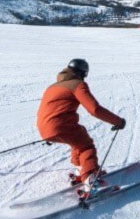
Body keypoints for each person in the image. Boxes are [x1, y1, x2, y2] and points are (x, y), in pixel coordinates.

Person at [37, 58, 126, 188]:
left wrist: (49, 132)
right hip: (59, 126)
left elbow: (45, 108)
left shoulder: (52, 87)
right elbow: (94, 109)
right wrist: (118, 121)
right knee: (86, 146)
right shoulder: (77, 84)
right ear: (82, 73)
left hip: (43, 126)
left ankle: (81, 169)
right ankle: (90, 179)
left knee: (78, 139)